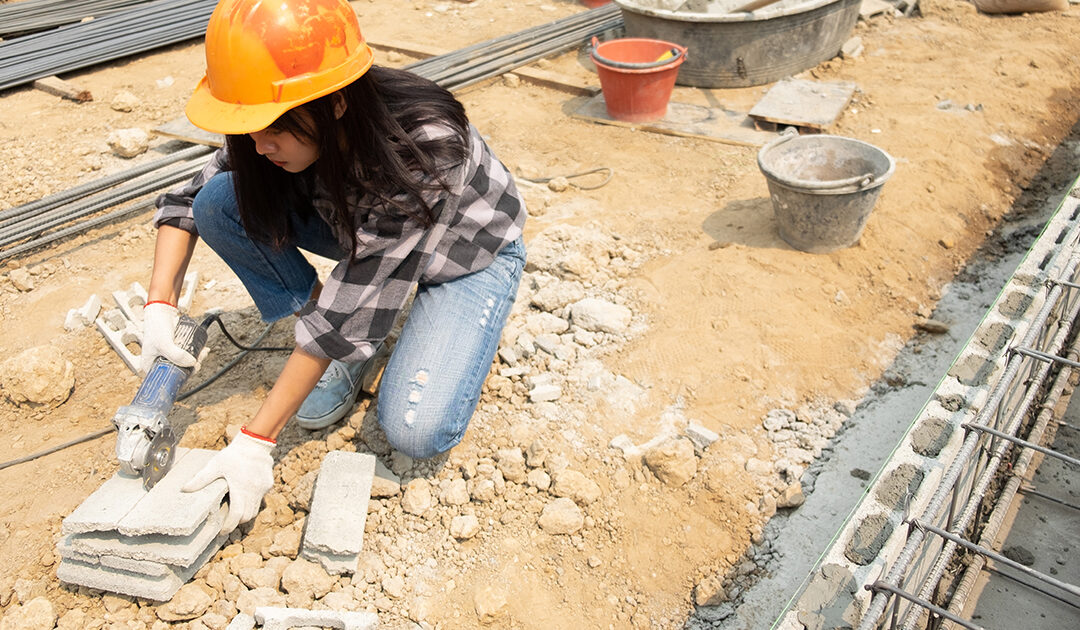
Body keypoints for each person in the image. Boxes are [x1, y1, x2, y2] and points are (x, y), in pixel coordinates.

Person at [143, 0, 526, 533]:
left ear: (337, 102)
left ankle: (369, 340)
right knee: (220, 202)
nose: (259, 144)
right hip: (361, 231)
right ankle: (335, 353)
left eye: (271, 127)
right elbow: (186, 202)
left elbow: (352, 307)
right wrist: (159, 304)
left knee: (416, 429)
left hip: (464, 257)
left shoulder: (422, 145)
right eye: (249, 127)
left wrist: (254, 444)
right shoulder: (272, 127)